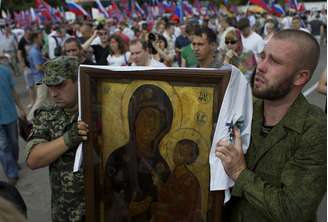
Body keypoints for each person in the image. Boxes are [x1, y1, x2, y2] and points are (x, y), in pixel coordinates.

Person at [215, 30, 326, 222]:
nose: (261, 67)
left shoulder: (316, 129)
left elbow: (294, 211)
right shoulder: (244, 110)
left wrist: (240, 173)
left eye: (275, 62)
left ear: (300, 77)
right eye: (263, 56)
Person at [25, 56, 89, 222]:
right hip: (65, 211)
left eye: (60, 85)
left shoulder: (99, 109)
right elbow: (33, 159)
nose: (53, 93)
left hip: (100, 208)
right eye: (49, 86)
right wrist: (69, 138)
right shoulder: (47, 115)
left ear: (78, 80)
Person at [105, 84, 172, 222]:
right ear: (133, 120)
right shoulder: (116, 159)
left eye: (157, 118)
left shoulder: (163, 167)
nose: (151, 123)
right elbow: (105, 201)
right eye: (147, 115)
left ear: (163, 126)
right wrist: (127, 210)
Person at [151, 139, 202, 222]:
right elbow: (166, 196)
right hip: (174, 212)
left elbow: (180, 205)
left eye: (180, 153)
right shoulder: (174, 174)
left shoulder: (190, 180)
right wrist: (159, 183)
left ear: (189, 158)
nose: (175, 155)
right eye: (175, 151)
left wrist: (159, 185)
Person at [0, 55, 26, 186]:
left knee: (14, 142)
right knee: (3, 146)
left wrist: (22, 108)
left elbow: (13, 92)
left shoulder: (5, 71)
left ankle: (14, 162)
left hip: (9, 114)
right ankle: (12, 173)